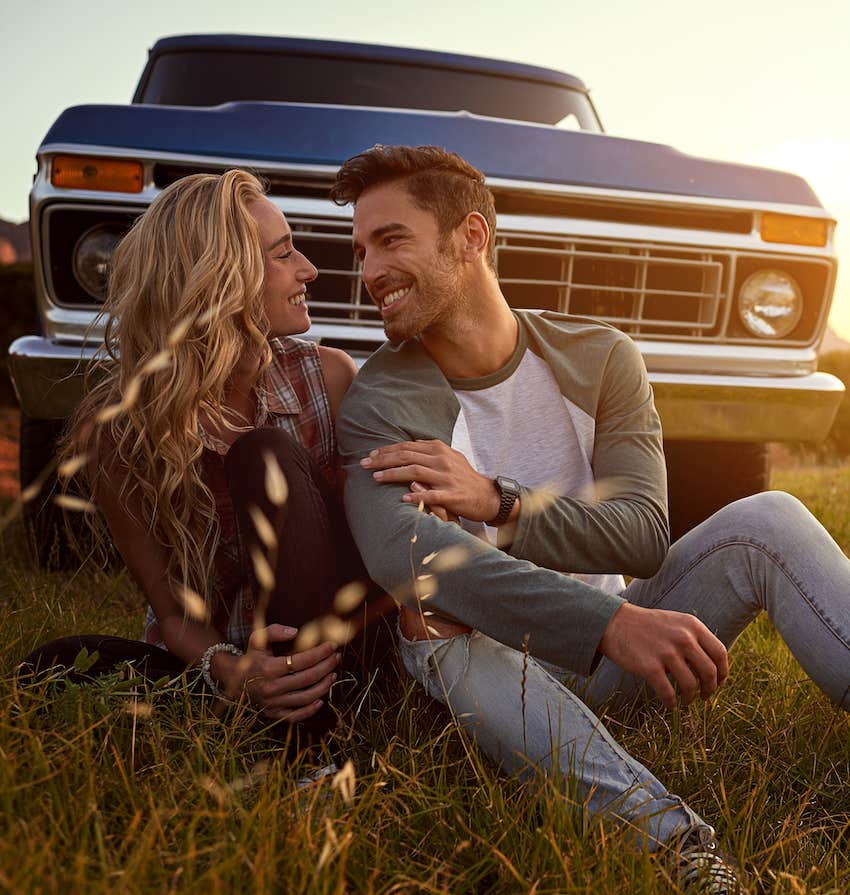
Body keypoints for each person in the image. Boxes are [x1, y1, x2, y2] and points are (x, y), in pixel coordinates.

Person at [329, 145, 850, 893]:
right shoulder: (382, 399)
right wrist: (606, 622)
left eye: (391, 239)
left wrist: (500, 502)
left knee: (767, 517)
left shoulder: (600, 356)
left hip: (626, 656)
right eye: (360, 249)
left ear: (471, 237)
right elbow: (407, 554)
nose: (370, 270)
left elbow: (642, 530)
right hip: (499, 676)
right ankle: (679, 848)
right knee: (429, 618)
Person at [20, 170, 390, 752]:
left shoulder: (332, 378)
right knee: (52, 666)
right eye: (283, 254)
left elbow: (374, 548)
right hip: (221, 670)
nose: (309, 270)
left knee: (264, 455)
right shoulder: (118, 431)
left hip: (333, 653)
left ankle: (306, 740)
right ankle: (252, 710)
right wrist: (233, 671)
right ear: (223, 284)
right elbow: (170, 613)